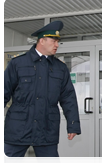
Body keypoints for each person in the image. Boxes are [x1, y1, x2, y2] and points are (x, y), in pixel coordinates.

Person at [4, 21, 81, 163]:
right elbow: (4, 91)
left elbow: (68, 97)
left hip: (46, 127)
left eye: (58, 41)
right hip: (18, 126)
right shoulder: (18, 63)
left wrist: (73, 124)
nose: (57, 45)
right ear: (42, 41)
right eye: (54, 41)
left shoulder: (60, 68)